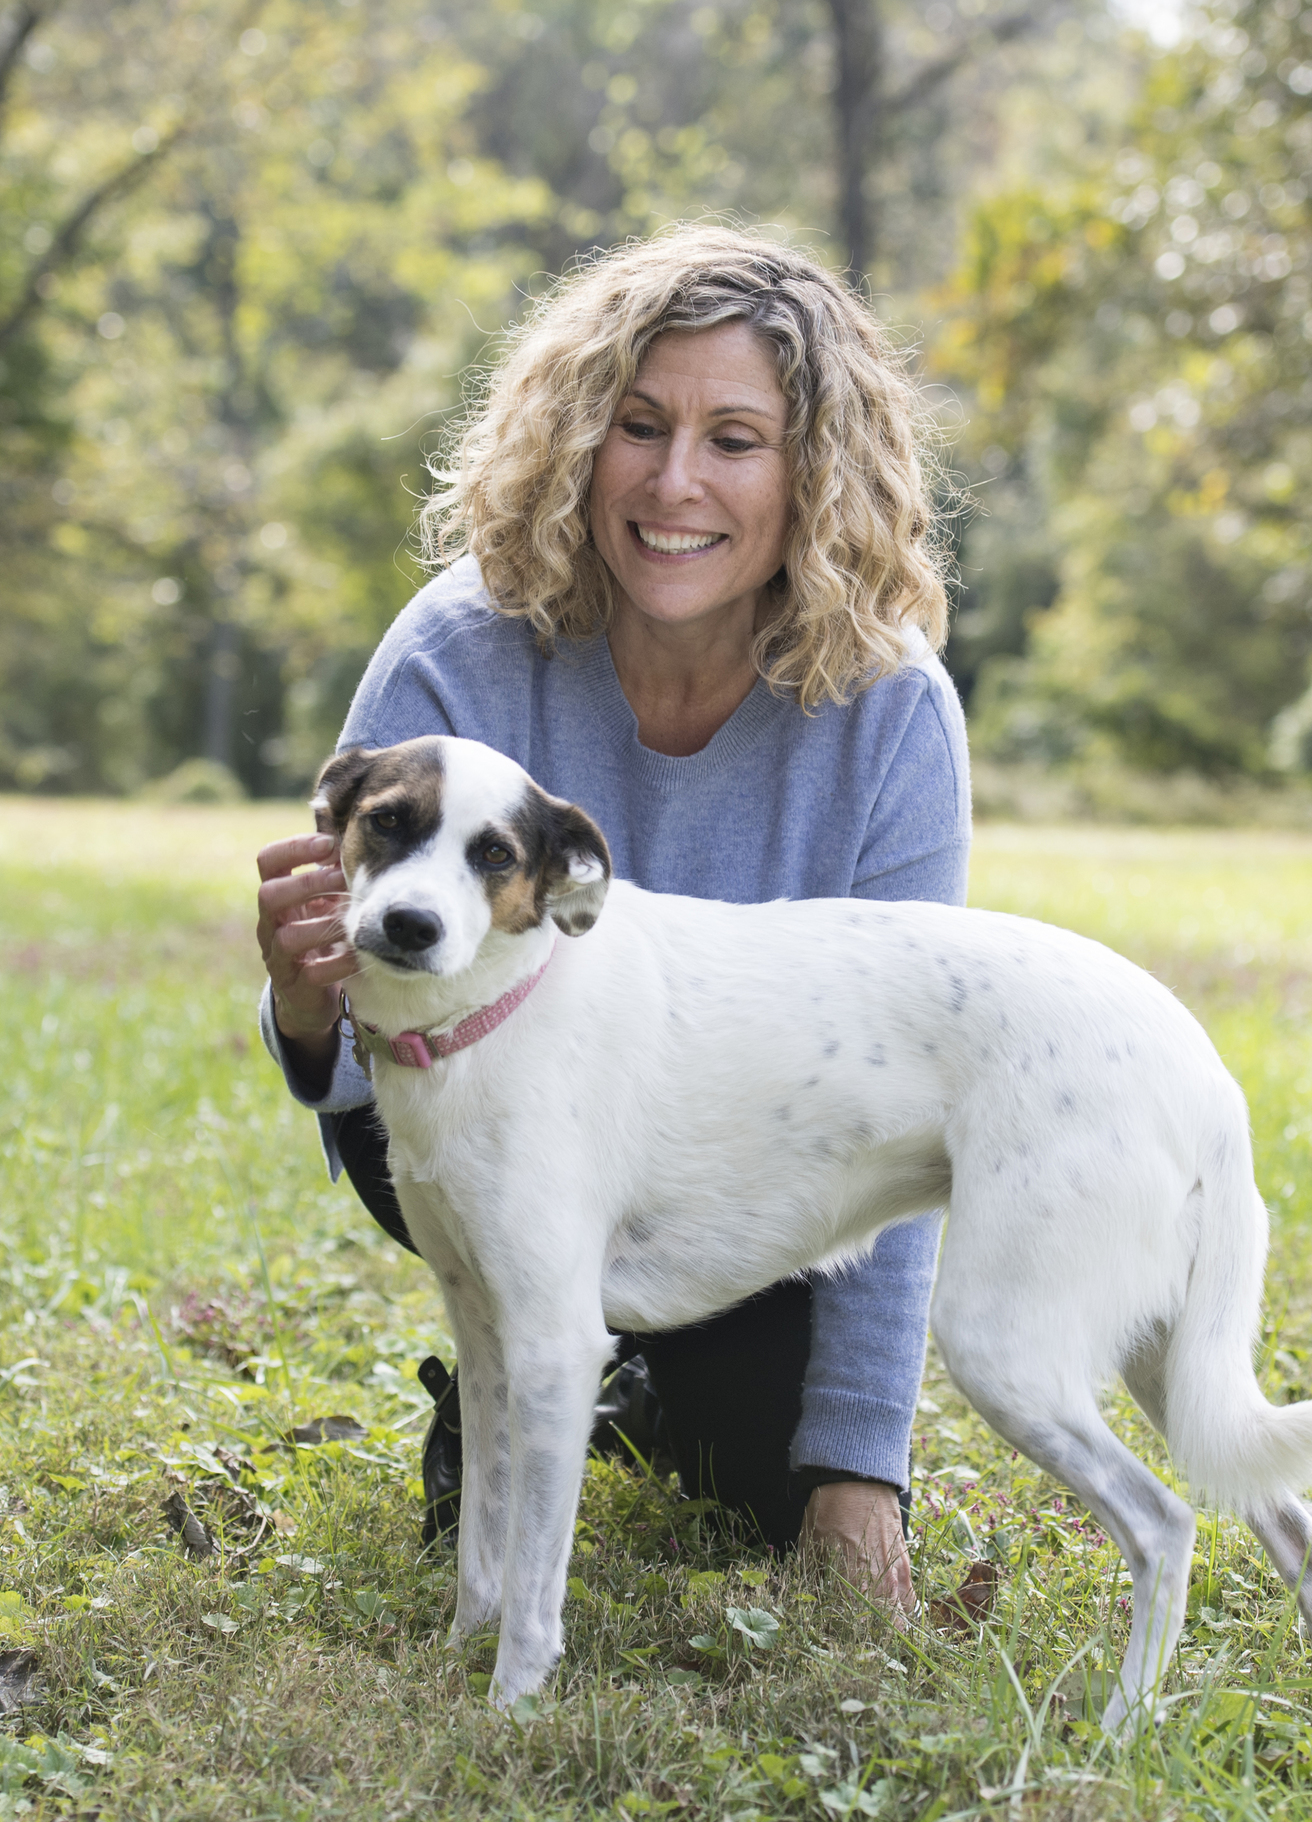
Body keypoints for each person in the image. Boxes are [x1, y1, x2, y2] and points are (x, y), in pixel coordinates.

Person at [248, 225, 966, 1610]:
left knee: (764, 1462)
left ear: (814, 473)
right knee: (511, 1178)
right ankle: (517, 1366)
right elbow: (342, 1052)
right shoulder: (457, 653)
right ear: (579, 437)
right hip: (470, 1120)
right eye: (639, 424)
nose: (675, 479)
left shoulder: (891, 713)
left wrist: (860, 1472)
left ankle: (594, 1382)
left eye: (736, 439)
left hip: (758, 1164)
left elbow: (912, 1103)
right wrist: (301, 999)